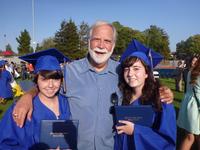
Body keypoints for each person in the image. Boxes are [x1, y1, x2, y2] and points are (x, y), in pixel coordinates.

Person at [12, 21, 174, 150]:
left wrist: (162, 89)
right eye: (97, 39)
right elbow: (47, 86)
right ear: (88, 41)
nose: (101, 45)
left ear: (113, 45)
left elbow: (141, 84)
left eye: (107, 41)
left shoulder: (121, 72)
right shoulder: (69, 72)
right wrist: (27, 96)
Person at [0, 51, 71, 149]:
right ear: (36, 80)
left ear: (61, 80)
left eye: (55, 79)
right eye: (44, 79)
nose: (51, 85)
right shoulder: (19, 109)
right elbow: (5, 145)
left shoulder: (68, 103)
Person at [114, 40, 176, 150]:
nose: (130, 73)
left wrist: (136, 131)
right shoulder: (121, 97)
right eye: (127, 69)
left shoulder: (161, 100)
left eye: (136, 68)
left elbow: (168, 143)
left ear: (147, 73)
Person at [177, 56, 200, 150]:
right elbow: (198, 94)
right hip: (195, 108)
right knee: (191, 137)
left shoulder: (191, 72)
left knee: (189, 137)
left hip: (188, 105)